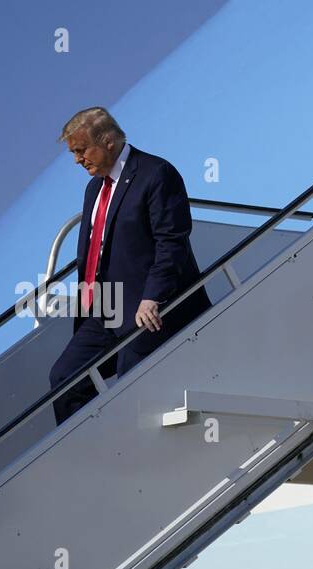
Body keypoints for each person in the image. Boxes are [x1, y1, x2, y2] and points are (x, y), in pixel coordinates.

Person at [49, 107, 211, 424]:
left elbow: (172, 241)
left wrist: (153, 297)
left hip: (146, 311)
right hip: (104, 310)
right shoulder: (94, 188)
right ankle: (92, 452)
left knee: (131, 395)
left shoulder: (155, 173)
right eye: (73, 153)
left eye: (81, 150)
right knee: (65, 380)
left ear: (108, 141)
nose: (77, 160)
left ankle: (120, 459)